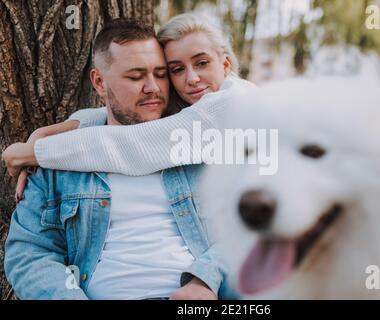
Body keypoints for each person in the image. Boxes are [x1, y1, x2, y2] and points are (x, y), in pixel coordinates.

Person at [4, 18, 230, 300]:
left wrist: (205, 280)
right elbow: (29, 254)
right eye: (136, 76)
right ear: (99, 82)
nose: (153, 88)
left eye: (161, 74)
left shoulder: (203, 144)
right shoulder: (59, 162)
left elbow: (247, 233)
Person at [1, 13, 256, 185]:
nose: (191, 79)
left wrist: (31, 153)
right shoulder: (199, 107)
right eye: (176, 69)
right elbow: (113, 118)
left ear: (225, 64)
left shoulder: (236, 103)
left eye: (202, 63)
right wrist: (51, 131)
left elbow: (134, 145)